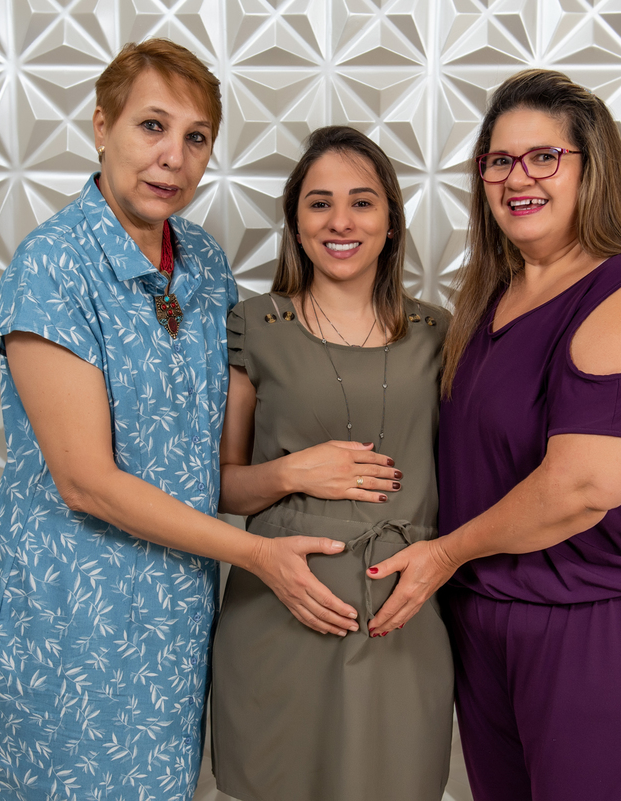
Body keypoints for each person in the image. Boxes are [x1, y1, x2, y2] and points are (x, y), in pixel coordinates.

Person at [0, 41, 358, 801]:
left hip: (174, 613)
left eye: (196, 137)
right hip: (70, 617)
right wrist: (260, 557)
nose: (173, 157)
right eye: (152, 125)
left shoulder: (204, 263)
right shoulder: (53, 267)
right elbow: (87, 482)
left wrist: (292, 472)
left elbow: (200, 461)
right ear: (101, 127)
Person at [363, 69, 621, 800]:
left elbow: (584, 487)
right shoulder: (494, 294)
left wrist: (445, 553)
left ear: (592, 169)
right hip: (497, 624)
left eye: (545, 157)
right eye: (499, 161)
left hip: (618, 628)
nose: (518, 178)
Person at [210, 126, 454, 801]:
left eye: (361, 202)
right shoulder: (255, 325)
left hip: (401, 615)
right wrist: (291, 473)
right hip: (279, 612)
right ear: (295, 222)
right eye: (319, 203)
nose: (340, 221)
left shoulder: (440, 334)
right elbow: (220, 487)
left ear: (391, 220)